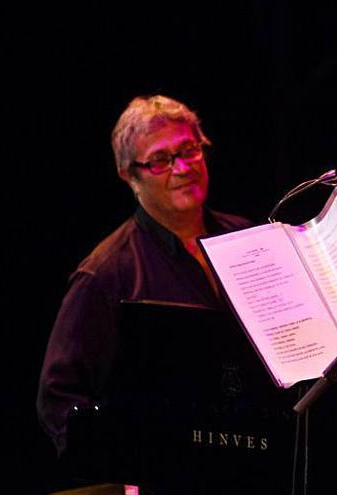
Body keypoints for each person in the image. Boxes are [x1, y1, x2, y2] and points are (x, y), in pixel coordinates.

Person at [37, 95, 252, 455]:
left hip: (257, 461)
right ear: (128, 175)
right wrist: (122, 466)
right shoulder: (106, 273)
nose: (182, 168)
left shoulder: (248, 238)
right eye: (160, 161)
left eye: (189, 150)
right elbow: (58, 399)